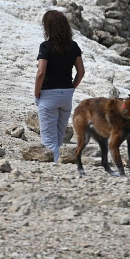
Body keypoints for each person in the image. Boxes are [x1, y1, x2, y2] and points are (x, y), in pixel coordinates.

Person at [34, 9, 84, 162]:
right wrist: (71, 88)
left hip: (48, 94)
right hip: (66, 94)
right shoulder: (73, 46)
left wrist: (37, 92)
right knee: (59, 137)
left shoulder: (46, 47)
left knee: (48, 139)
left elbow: (41, 72)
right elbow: (81, 71)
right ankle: (60, 163)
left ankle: (54, 167)